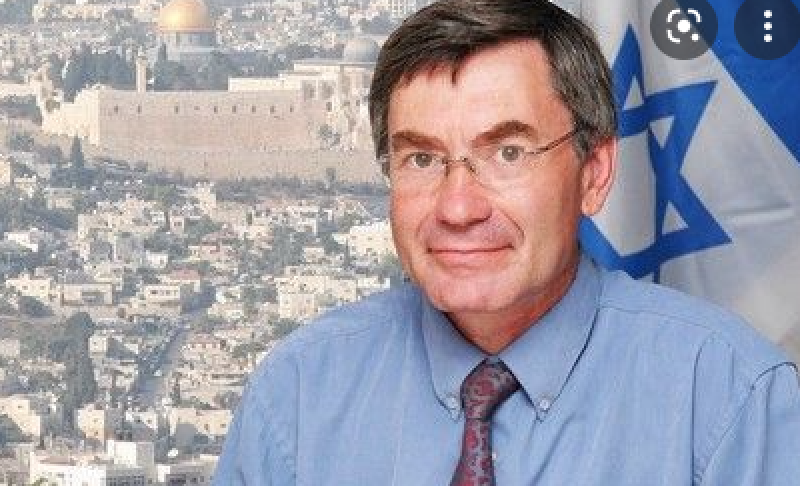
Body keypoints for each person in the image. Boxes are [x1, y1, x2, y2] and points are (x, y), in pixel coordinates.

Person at [213, 0, 800, 484]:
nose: (458, 208)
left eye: (508, 153)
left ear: (594, 174)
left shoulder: (729, 399)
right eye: (422, 158)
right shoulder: (298, 397)